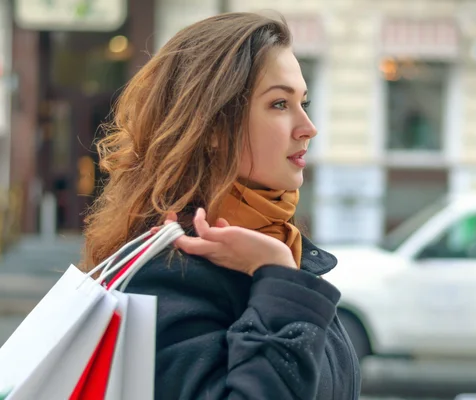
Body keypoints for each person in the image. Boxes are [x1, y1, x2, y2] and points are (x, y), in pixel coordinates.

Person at [81, 11, 361, 400]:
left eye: (304, 102)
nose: (308, 126)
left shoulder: (287, 252)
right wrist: (277, 275)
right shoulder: (169, 275)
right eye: (280, 104)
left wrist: (281, 271)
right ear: (213, 128)